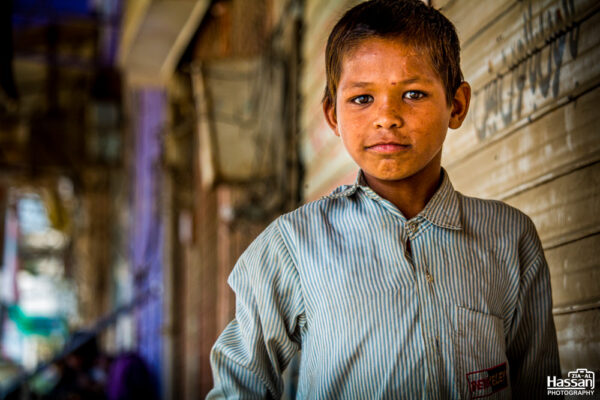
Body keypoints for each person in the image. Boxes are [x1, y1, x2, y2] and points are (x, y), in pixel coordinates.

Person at [207, 0, 561, 398]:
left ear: (456, 105)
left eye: (413, 93)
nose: (386, 117)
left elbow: (544, 384)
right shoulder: (293, 246)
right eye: (362, 99)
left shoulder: (509, 237)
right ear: (332, 116)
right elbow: (238, 387)